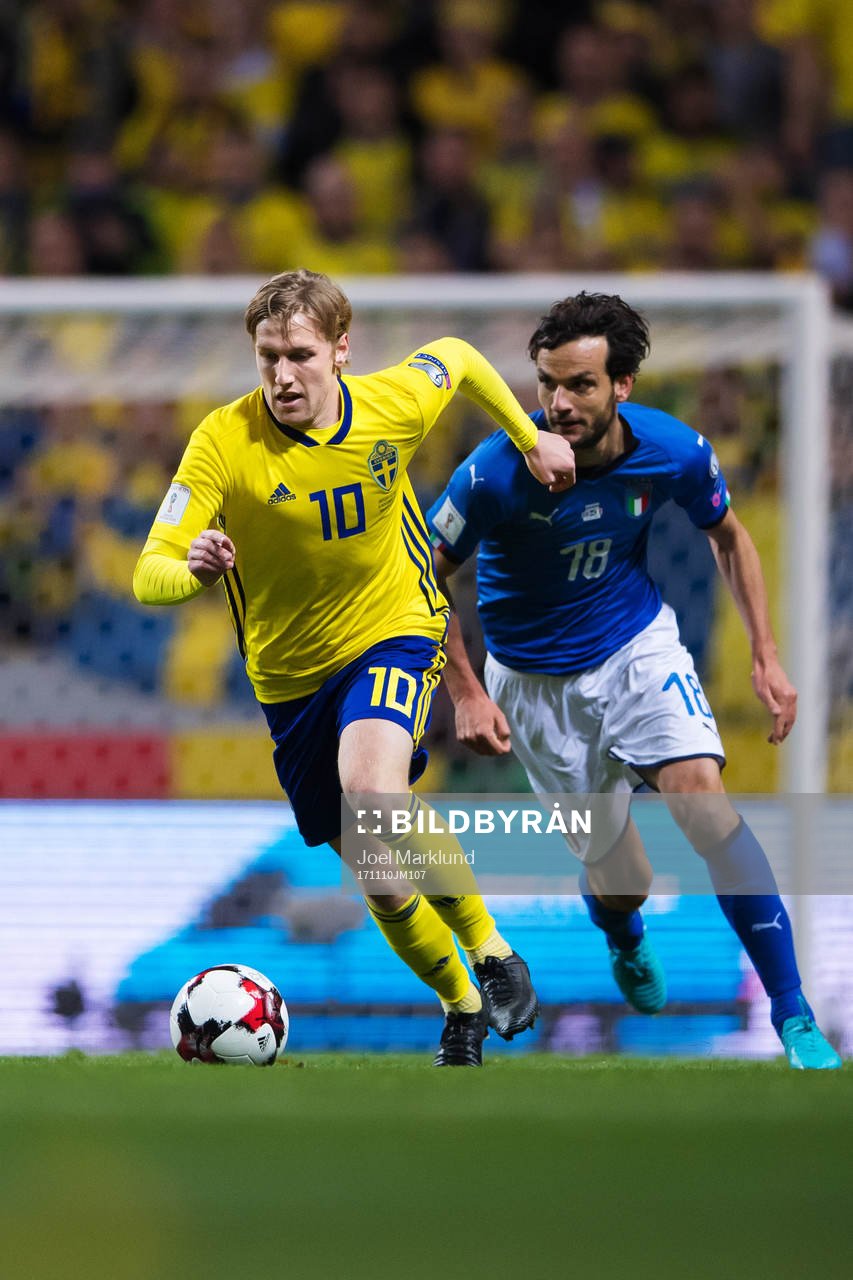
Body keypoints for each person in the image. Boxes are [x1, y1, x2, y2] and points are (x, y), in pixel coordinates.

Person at [133, 268, 575, 1066]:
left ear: (341, 351)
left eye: (298, 354)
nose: (280, 375)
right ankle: (460, 1005)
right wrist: (191, 570)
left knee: (374, 793)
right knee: (376, 872)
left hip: (393, 629)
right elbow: (147, 571)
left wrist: (525, 432)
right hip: (290, 680)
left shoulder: (392, 403)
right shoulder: (222, 442)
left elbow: (460, 356)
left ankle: (492, 952)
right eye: (266, 356)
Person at [426, 290, 842, 1070]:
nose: (557, 403)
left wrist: (765, 654)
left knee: (704, 805)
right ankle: (622, 932)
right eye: (548, 383)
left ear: (622, 386)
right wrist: (466, 690)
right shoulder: (494, 473)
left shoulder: (673, 450)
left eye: (579, 384)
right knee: (621, 879)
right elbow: (421, 572)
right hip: (533, 685)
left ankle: (793, 1018)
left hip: (634, 650)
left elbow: (729, 536)